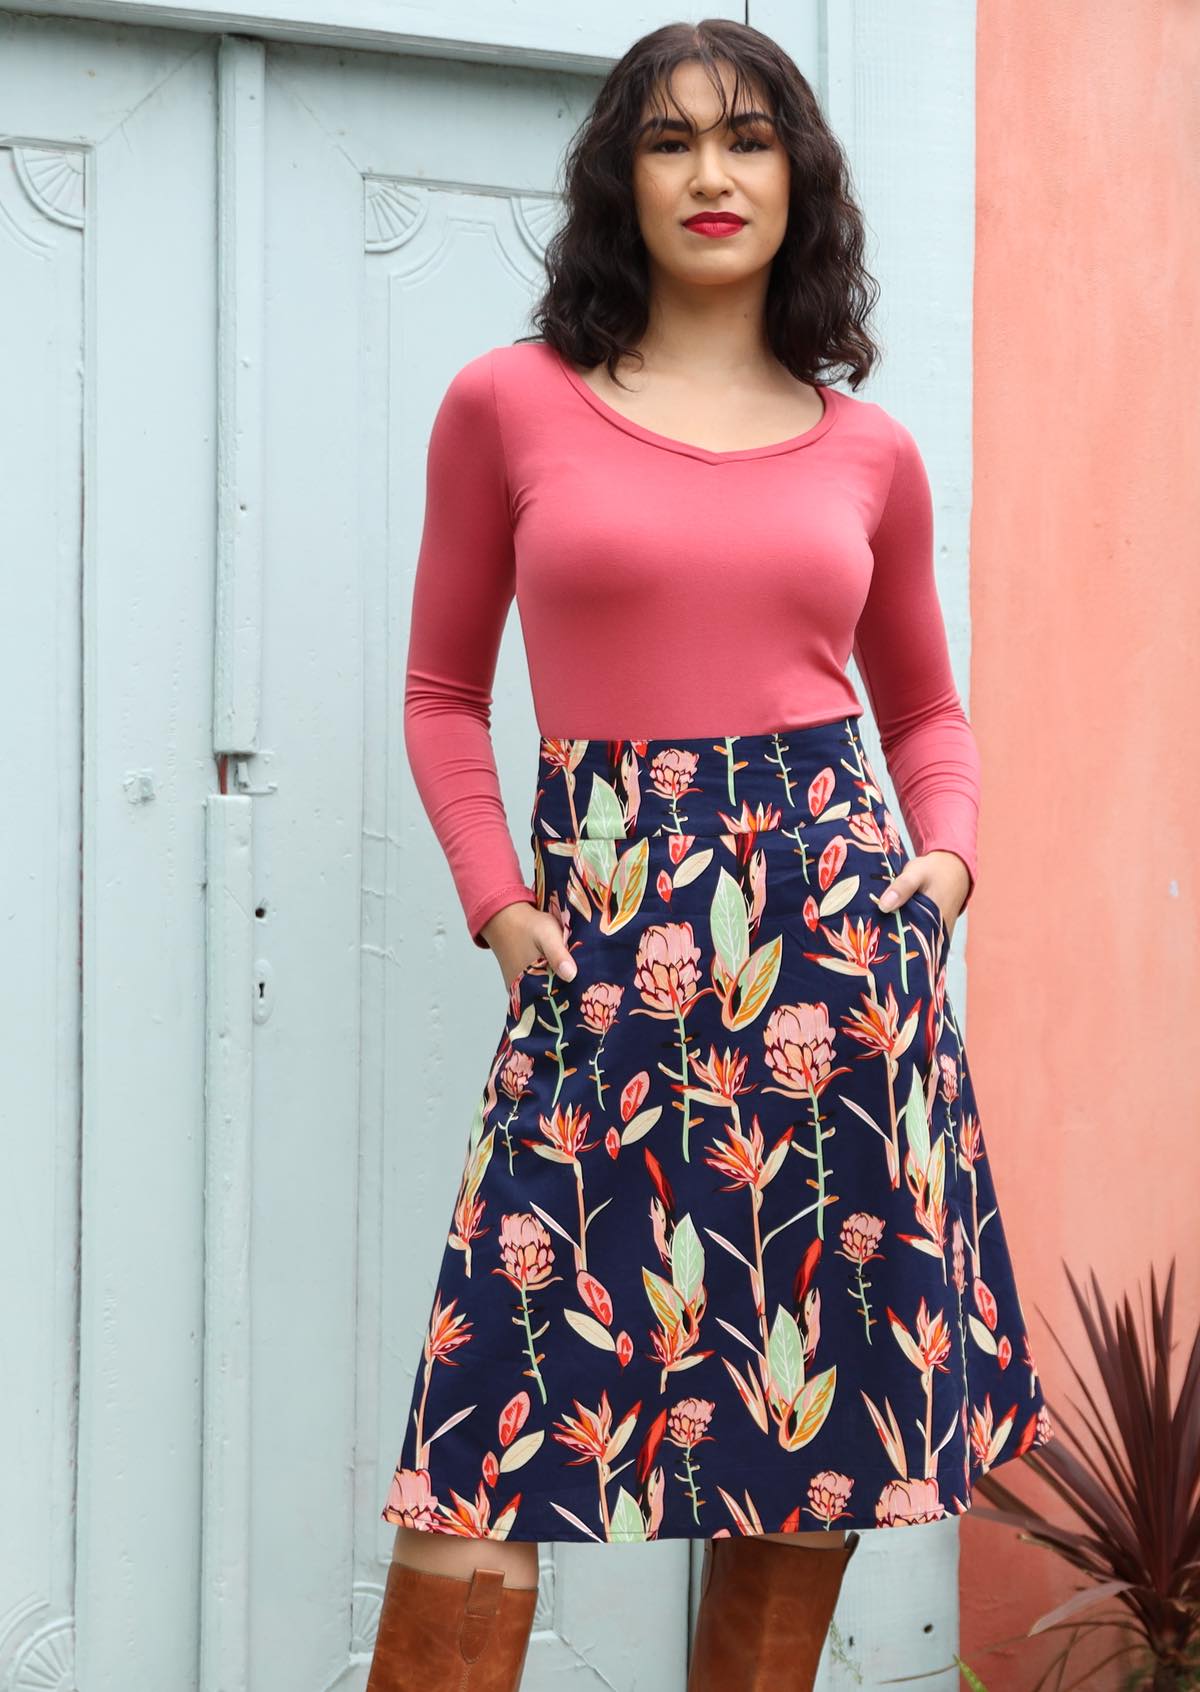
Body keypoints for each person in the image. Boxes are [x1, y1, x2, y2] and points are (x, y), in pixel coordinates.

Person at [366, 19, 1054, 1692]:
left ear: (797, 179)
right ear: (623, 179)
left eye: (747, 140)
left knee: (799, 1453)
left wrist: (942, 874)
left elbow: (930, 716)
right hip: (600, 969)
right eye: (670, 143)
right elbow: (446, 693)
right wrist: (504, 910)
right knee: (483, 1452)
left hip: (829, 978)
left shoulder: (866, 451)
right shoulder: (508, 403)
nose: (711, 175)